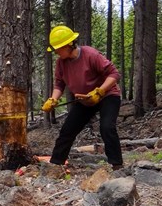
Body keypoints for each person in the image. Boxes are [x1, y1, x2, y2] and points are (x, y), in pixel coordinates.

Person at [41, 25, 124, 170]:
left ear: (68, 45)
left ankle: (117, 165)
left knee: (107, 127)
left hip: (107, 96)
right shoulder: (61, 62)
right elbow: (59, 84)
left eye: (58, 49)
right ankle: (56, 164)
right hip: (84, 100)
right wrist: (53, 99)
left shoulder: (90, 54)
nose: (56, 52)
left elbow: (114, 74)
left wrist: (100, 92)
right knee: (68, 129)